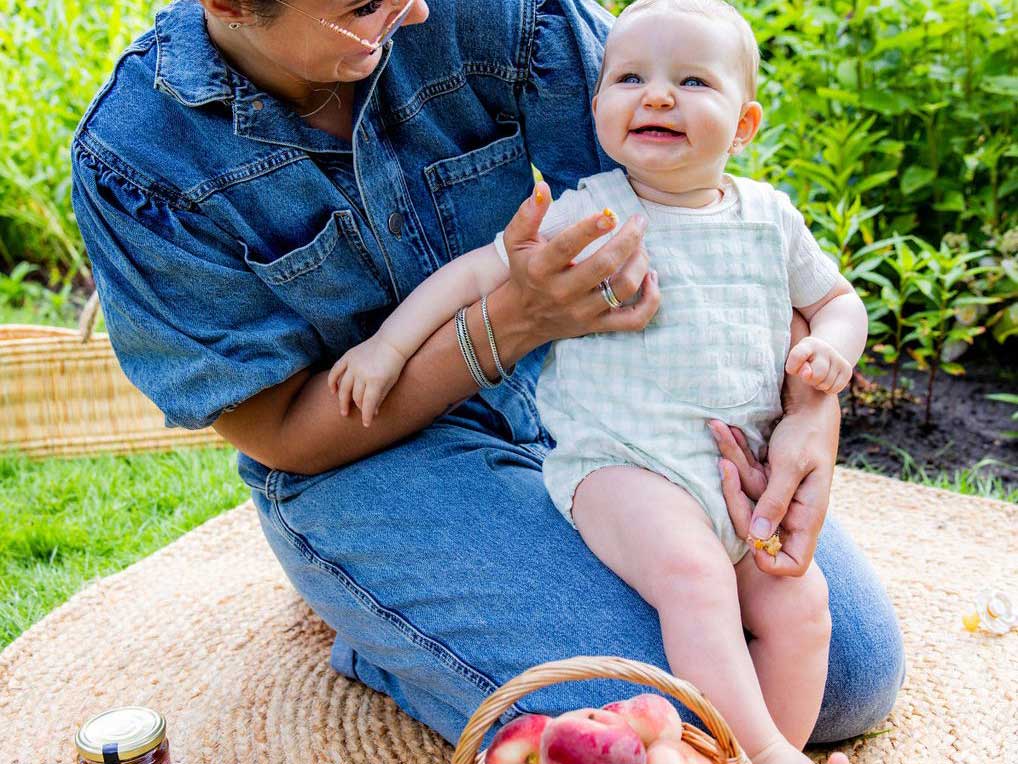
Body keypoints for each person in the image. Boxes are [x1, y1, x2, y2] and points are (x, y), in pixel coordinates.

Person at [69, 0, 904, 755]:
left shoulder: (497, 11)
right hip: (364, 462)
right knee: (655, 712)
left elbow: (704, 212)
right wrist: (513, 320)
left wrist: (808, 411)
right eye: (366, 4)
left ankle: (427, 622)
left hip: (604, 405)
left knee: (850, 672)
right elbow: (282, 431)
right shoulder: (137, 159)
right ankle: (389, 616)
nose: (419, 9)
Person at [327, 2, 868, 761]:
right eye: (629, 78)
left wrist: (830, 360)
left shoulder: (768, 217)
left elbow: (836, 301)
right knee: (693, 577)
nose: (655, 96)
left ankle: (741, 749)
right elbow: (475, 274)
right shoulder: (593, 212)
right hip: (624, 465)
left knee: (805, 608)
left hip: (737, 468)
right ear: (597, 106)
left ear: (744, 126)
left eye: (691, 81)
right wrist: (388, 346)